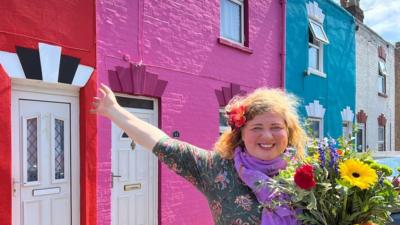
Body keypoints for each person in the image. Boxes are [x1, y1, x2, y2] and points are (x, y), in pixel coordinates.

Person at [92, 84, 308, 225]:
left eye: (276, 127)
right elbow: (161, 143)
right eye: (257, 127)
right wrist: (113, 110)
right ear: (241, 134)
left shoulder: (308, 174)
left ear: (288, 132)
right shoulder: (218, 169)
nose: (267, 136)